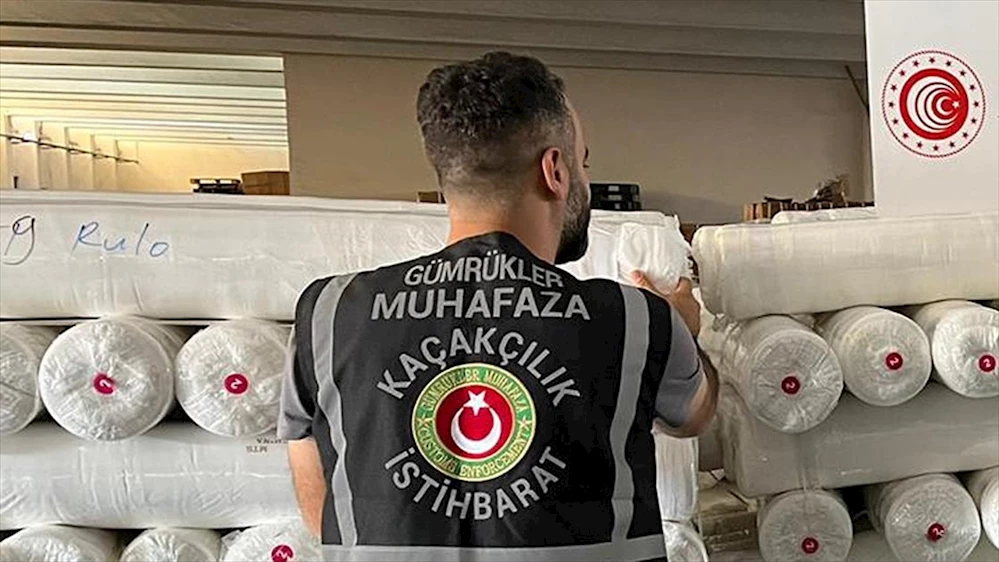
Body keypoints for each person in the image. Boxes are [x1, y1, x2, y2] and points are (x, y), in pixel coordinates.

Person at [277, 51, 718, 562]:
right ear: (555, 171)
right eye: (583, 163)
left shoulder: (329, 312)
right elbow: (693, 417)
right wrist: (684, 327)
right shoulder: (636, 319)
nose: (584, 178)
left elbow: (320, 493)